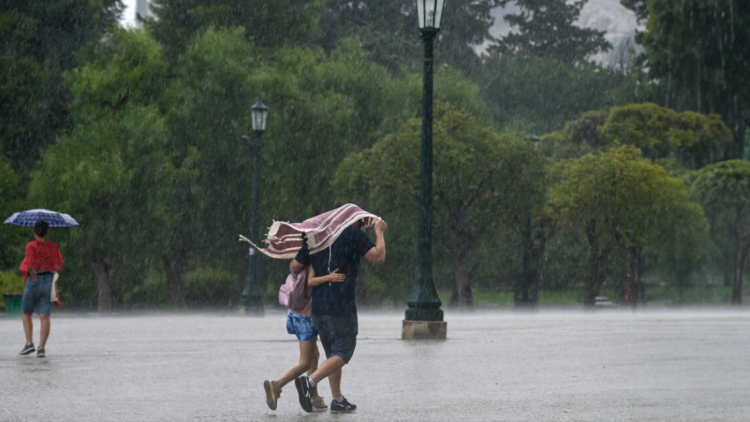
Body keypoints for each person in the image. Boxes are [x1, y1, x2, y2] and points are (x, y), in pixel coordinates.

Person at [293, 217, 387, 413]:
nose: (363, 228)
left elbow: (294, 266)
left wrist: (313, 262)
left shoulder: (317, 237)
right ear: (355, 222)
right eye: (362, 224)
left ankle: (337, 399)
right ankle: (309, 382)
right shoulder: (353, 235)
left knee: (332, 354)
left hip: (318, 307)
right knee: (343, 352)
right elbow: (379, 257)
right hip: (341, 306)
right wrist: (379, 231)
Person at [262, 238, 343, 412]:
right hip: (306, 317)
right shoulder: (315, 258)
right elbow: (310, 282)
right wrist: (329, 277)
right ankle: (276, 385)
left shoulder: (302, 258)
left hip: (296, 312)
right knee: (306, 362)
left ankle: (314, 397)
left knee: (314, 354)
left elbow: (298, 272)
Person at [18, 220, 64, 358]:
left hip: (35, 280)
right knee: (45, 316)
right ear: (47, 232)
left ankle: (29, 343)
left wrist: (33, 274)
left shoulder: (31, 246)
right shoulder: (53, 246)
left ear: (34, 231)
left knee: (26, 312)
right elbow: (58, 264)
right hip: (49, 281)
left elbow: (30, 263)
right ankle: (41, 348)